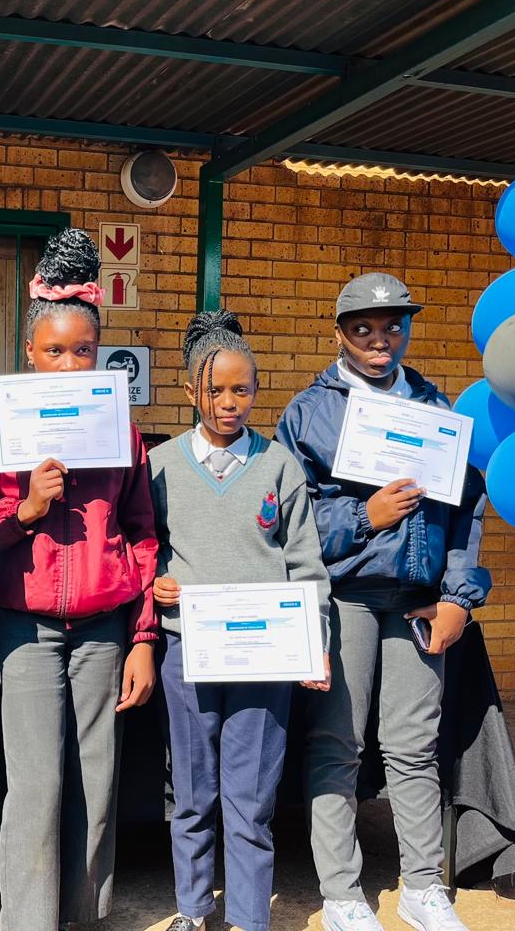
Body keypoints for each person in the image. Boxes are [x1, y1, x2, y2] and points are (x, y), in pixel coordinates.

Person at [275, 273, 490, 931]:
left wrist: (458, 598)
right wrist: (363, 516)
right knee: (337, 743)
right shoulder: (308, 412)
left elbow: (466, 507)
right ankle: (342, 895)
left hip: (418, 600)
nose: (380, 339)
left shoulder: (433, 404)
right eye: (363, 327)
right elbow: (289, 517)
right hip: (345, 596)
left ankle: (424, 886)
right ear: (339, 332)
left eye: (394, 325)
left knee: (414, 745)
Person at [0, 228, 158, 931]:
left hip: (104, 628)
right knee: (36, 785)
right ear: (29, 352)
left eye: (83, 351)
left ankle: (84, 915)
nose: (70, 363)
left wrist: (143, 636)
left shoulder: (124, 434)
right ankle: (29, 920)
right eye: (54, 351)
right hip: (26, 628)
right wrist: (27, 509)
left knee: (95, 780)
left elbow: (142, 534)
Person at [150, 309, 331, 931]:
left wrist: (314, 642)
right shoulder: (160, 465)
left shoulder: (279, 465)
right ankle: (193, 909)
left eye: (243, 389)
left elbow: (305, 562)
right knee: (192, 793)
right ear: (190, 390)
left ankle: (251, 917)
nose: (230, 403)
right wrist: (156, 584)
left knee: (251, 798)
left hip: (264, 657)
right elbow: (146, 546)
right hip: (187, 650)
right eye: (216, 390)